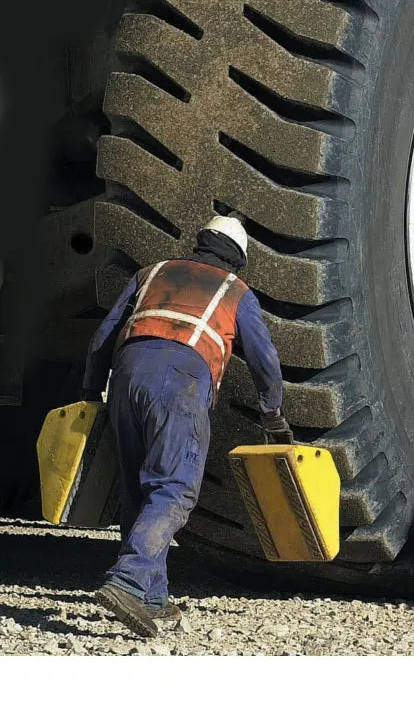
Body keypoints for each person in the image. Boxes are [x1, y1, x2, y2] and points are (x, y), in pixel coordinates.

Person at [81, 214, 289, 638]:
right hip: (180, 378)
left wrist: (89, 394)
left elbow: (103, 336)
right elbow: (266, 362)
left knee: (139, 487)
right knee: (174, 487)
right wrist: (272, 416)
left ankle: (152, 597)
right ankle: (129, 580)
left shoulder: (151, 272)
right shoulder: (234, 290)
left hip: (125, 375)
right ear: (237, 258)